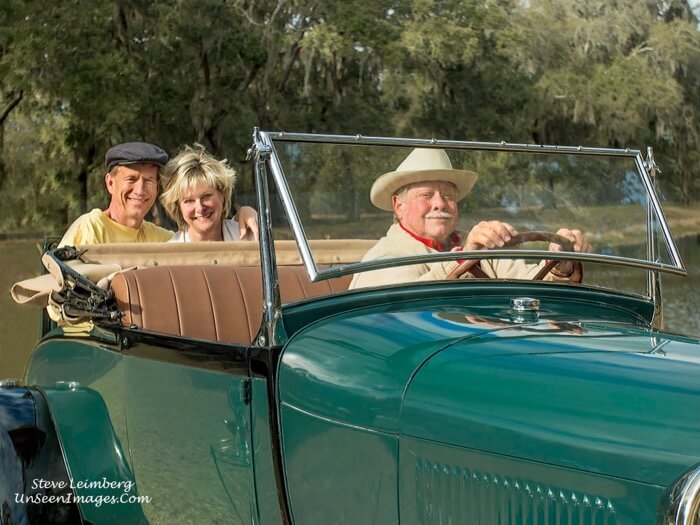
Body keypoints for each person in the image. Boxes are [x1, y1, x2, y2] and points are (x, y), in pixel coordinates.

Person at [349, 148, 592, 289]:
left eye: (448, 195)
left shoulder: (481, 250)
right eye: (426, 195)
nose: (440, 203)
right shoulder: (384, 259)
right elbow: (405, 309)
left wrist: (560, 263)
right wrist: (465, 256)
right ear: (398, 205)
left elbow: (528, 284)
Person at [59, 141, 258, 246]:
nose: (140, 190)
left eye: (149, 181)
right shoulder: (90, 229)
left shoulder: (161, 239)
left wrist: (246, 213)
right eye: (131, 179)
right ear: (110, 183)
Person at [159, 144, 255, 242]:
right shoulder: (172, 253)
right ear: (178, 207)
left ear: (222, 195)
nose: (200, 208)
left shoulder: (250, 238)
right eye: (189, 201)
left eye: (206, 196)